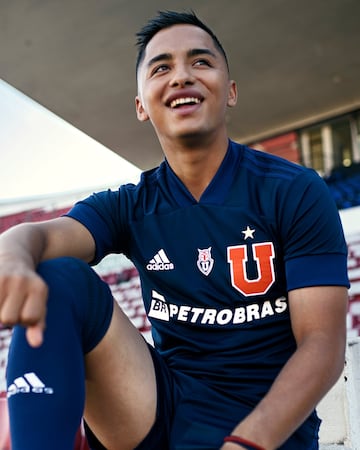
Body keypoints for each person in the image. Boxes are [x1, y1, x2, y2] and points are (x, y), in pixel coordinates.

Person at [0, 9, 349, 450]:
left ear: (231, 91)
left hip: (268, 428)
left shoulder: (295, 190)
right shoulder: (132, 203)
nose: (182, 76)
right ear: (141, 105)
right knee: (57, 279)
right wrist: (12, 254)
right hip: (164, 410)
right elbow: (44, 237)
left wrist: (247, 443)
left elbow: (322, 344)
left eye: (201, 62)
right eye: (161, 67)